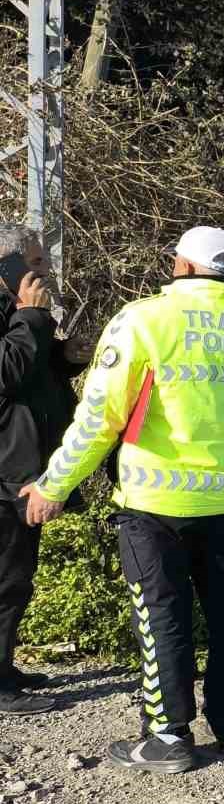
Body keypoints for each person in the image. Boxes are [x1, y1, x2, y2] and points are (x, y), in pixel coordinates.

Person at [21, 226, 224, 773]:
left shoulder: (143, 320)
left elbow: (99, 419)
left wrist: (55, 484)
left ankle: (169, 738)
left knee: (162, 615)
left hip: (155, 502)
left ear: (182, 268)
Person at [0, 225, 93, 716]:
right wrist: (32, 316)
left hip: (24, 469)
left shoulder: (19, 316)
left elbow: (33, 371)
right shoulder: (21, 314)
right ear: (8, 268)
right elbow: (7, 373)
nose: (45, 272)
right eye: (35, 263)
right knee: (4, 578)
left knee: (17, 576)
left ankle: (5, 665)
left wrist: (65, 358)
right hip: (4, 472)